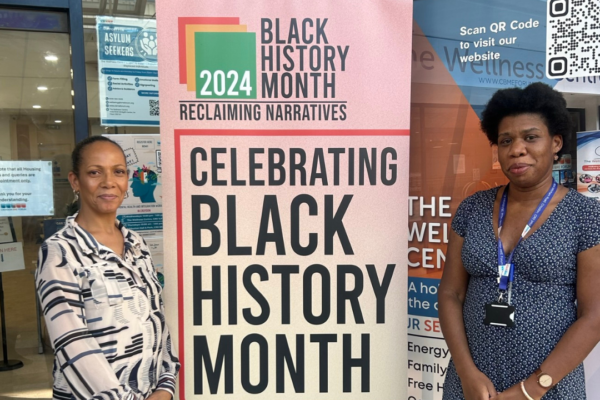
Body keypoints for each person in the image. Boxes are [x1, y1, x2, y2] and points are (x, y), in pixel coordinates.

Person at [438, 82, 600, 400]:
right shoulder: (472, 208)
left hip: (549, 386)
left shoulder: (584, 215)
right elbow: (450, 293)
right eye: (505, 140)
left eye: (530, 137)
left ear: (555, 142)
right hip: (473, 385)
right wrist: (466, 372)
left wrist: (531, 388)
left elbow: (594, 314)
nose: (516, 149)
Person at [36, 136, 179, 400]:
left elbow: (157, 320)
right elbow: (73, 346)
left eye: (118, 171)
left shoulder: (136, 243)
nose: (108, 182)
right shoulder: (61, 252)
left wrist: (166, 385)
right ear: (75, 181)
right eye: (94, 172)